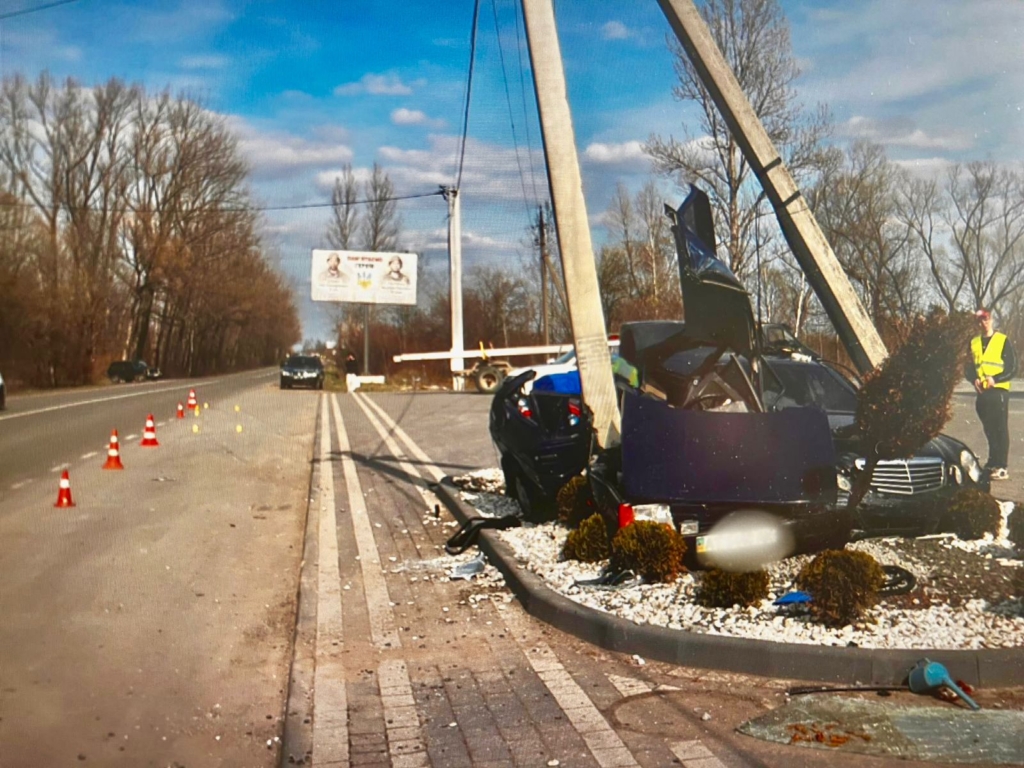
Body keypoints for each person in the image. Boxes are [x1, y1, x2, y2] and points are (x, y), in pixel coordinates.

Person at [965, 309, 1016, 480]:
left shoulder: (1002, 340)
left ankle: (1002, 466)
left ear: (991, 319)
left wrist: (995, 379)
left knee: (1000, 429)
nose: (982, 323)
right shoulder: (974, 342)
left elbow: (1012, 367)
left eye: (985, 319)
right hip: (982, 392)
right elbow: (968, 368)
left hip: (999, 390)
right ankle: (993, 462)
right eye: (979, 321)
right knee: (989, 429)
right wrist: (974, 380)